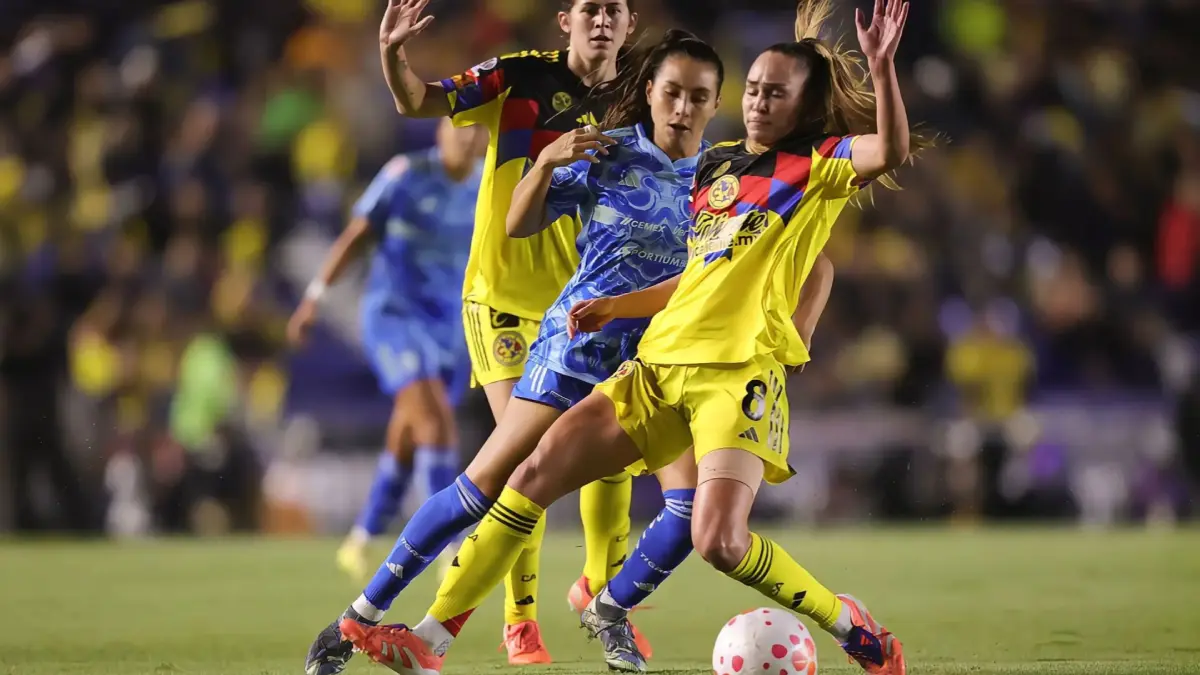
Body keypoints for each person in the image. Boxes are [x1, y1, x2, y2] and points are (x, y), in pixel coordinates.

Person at [335, 1, 925, 674]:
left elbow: (873, 178)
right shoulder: (716, 171)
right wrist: (615, 303)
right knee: (524, 476)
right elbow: (699, 280)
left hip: (733, 376)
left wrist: (881, 69)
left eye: (771, 92)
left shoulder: (815, 166)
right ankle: (432, 636)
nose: (756, 102)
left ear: (796, 104)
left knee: (716, 538)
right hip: (652, 362)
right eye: (752, 89)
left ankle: (845, 625)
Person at [304, 1, 640, 672]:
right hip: (503, 304)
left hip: (582, 308)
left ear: (630, 25)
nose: (602, 20)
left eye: (616, 9)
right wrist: (394, 55)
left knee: (613, 458)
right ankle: (515, 622)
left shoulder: (638, 100)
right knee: (522, 463)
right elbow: (419, 102)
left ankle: (603, 598)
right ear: (564, 21)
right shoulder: (517, 79)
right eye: (590, 8)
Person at [287, 118, 486, 583]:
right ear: (439, 132)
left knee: (410, 428)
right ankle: (448, 547)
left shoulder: (487, 185)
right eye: (459, 127)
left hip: (450, 328)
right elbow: (357, 233)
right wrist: (315, 296)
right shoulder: (405, 174)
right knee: (435, 422)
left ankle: (361, 538)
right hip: (394, 316)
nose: (468, 137)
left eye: (478, 129)